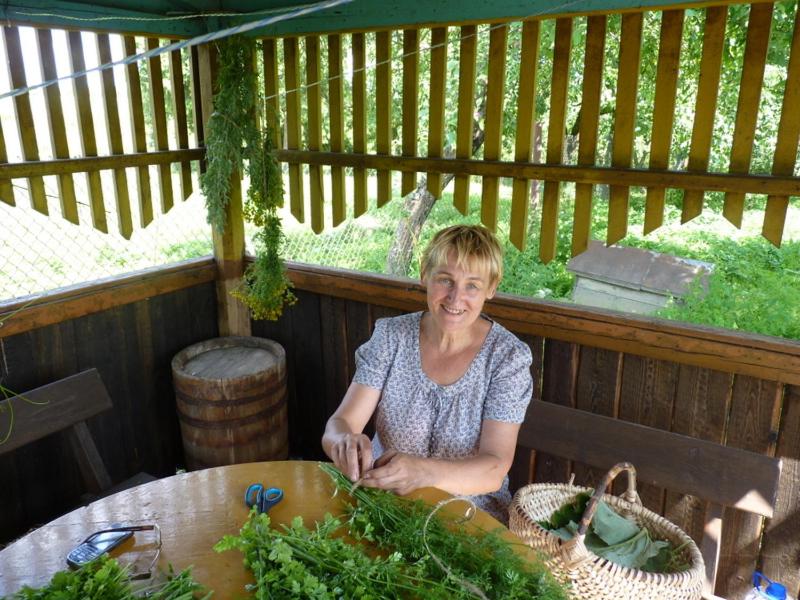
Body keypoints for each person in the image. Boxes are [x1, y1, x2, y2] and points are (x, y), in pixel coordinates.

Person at [321, 224, 533, 522]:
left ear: (491, 288)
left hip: (469, 515)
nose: (455, 298)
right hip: (386, 504)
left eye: (472, 285)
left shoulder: (507, 357)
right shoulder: (391, 337)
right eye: (445, 280)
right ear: (425, 275)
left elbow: (494, 469)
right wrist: (344, 442)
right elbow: (340, 423)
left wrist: (422, 472)